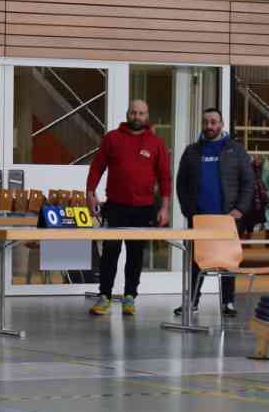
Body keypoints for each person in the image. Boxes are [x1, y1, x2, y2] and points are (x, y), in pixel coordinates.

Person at [86, 98, 171, 317]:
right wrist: (90, 194)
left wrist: (165, 207)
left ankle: (130, 297)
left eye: (141, 113)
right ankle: (104, 296)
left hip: (143, 209)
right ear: (127, 114)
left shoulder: (156, 143)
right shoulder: (112, 138)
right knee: (110, 252)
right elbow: (97, 167)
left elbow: (164, 177)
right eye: (133, 112)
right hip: (115, 207)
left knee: (135, 255)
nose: (137, 117)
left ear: (147, 116)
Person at [174, 106, 255, 319]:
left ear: (221, 124)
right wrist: (188, 210)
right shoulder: (191, 151)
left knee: (228, 261)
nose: (209, 126)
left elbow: (249, 182)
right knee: (195, 261)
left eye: (213, 122)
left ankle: (228, 302)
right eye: (205, 122)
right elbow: (181, 183)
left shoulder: (236, 150)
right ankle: (191, 302)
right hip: (199, 219)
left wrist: (240, 209)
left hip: (227, 219)